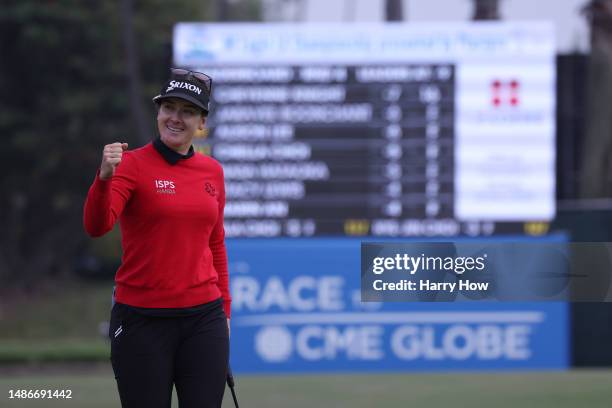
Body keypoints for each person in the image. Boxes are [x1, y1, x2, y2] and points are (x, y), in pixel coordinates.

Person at [83, 68, 230, 408]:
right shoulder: (130, 165)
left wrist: (224, 312)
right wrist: (104, 179)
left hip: (204, 319)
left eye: (187, 111)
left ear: (202, 123)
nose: (175, 118)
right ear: (158, 112)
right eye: (169, 108)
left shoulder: (213, 172)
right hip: (142, 321)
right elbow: (97, 225)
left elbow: (215, 243)